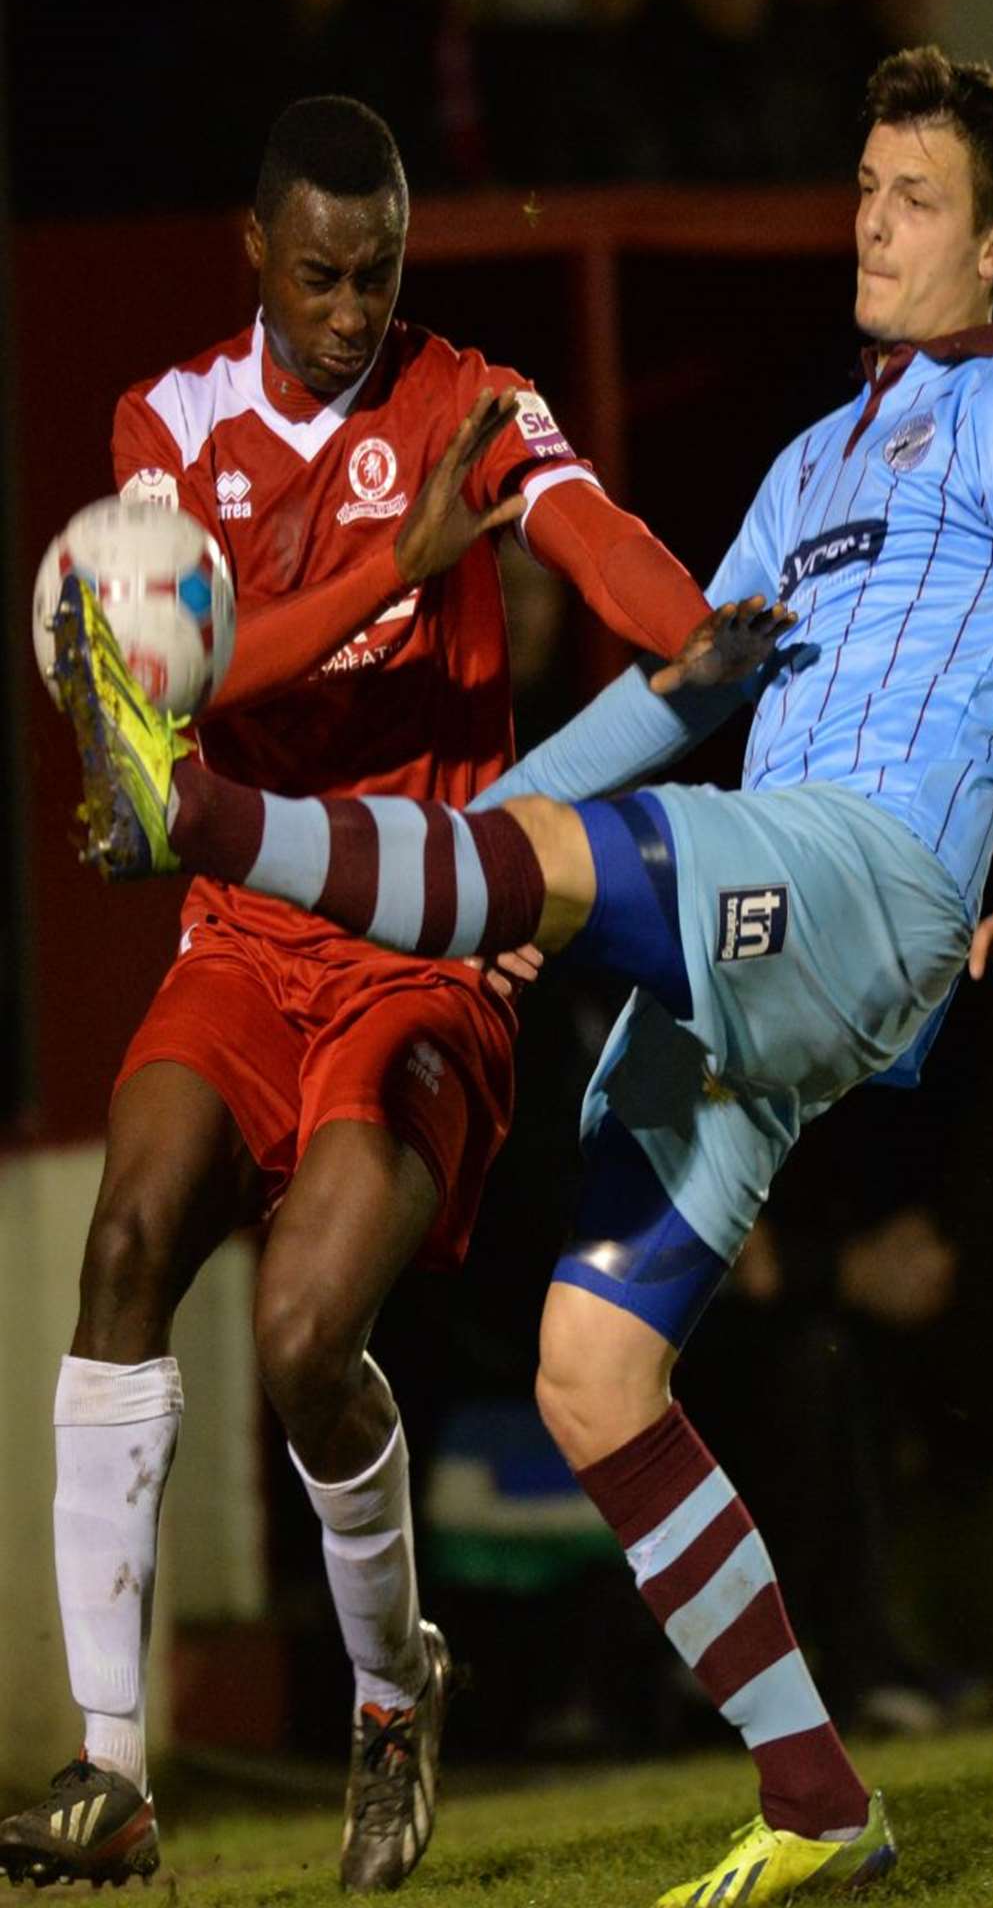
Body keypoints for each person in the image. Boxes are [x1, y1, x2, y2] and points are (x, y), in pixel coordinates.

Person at [40, 44, 993, 1905]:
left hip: (864, 875)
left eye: (912, 202)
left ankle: (187, 815)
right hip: (742, 911)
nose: (868, 223)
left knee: (477, 944)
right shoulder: (811, 460)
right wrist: (517, 823)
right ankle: (823, 1797)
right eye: (861, 188)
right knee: (593, 1373)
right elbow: (689, 676)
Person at [0, 94, 753, 1896]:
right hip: (246, 939)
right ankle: (113, 1775)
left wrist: (700, 633)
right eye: (321, 276)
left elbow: (591, 536)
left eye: (382, 274)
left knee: (300, 1343)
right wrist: (386, 573)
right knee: (124, 1256)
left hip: (425, 942)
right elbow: (168, 684)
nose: (354, 312)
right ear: (254, 256)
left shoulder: (469, 402)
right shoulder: (165, 426)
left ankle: (394, 1693)